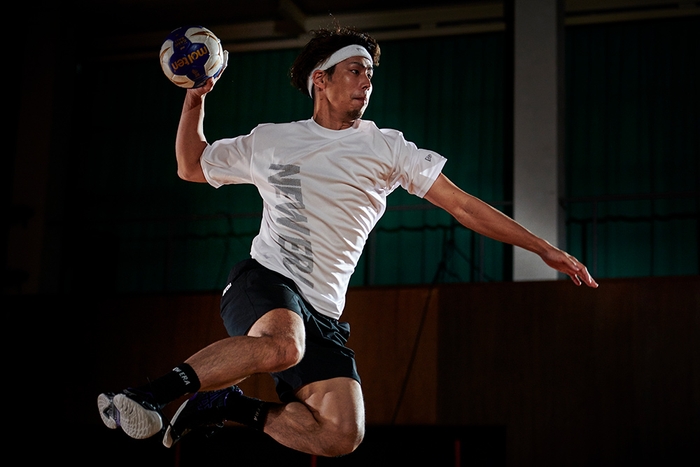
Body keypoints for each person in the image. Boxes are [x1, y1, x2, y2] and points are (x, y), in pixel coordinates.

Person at [97, 25, 598, 457]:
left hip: (324, 310)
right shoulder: (271, 140)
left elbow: (462, 205)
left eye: (370, 76)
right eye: (355, 71)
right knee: (284, 346)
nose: (366, 83)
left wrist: (543, 247)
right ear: (321, 79)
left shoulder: (387, 147)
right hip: (266, 280)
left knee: (341, 433)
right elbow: (191, 165)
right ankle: (145, 394)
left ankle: (226, 404)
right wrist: (195, 99)